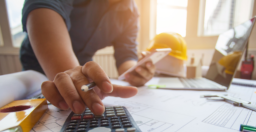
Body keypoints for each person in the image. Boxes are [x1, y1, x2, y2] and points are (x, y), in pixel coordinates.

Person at [20, 0, 155, 116]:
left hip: (81, 71)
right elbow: (42, 8)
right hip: (38, 68)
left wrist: (136, 71)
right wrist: (74, 80)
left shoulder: (131, 13)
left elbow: (126, 55)